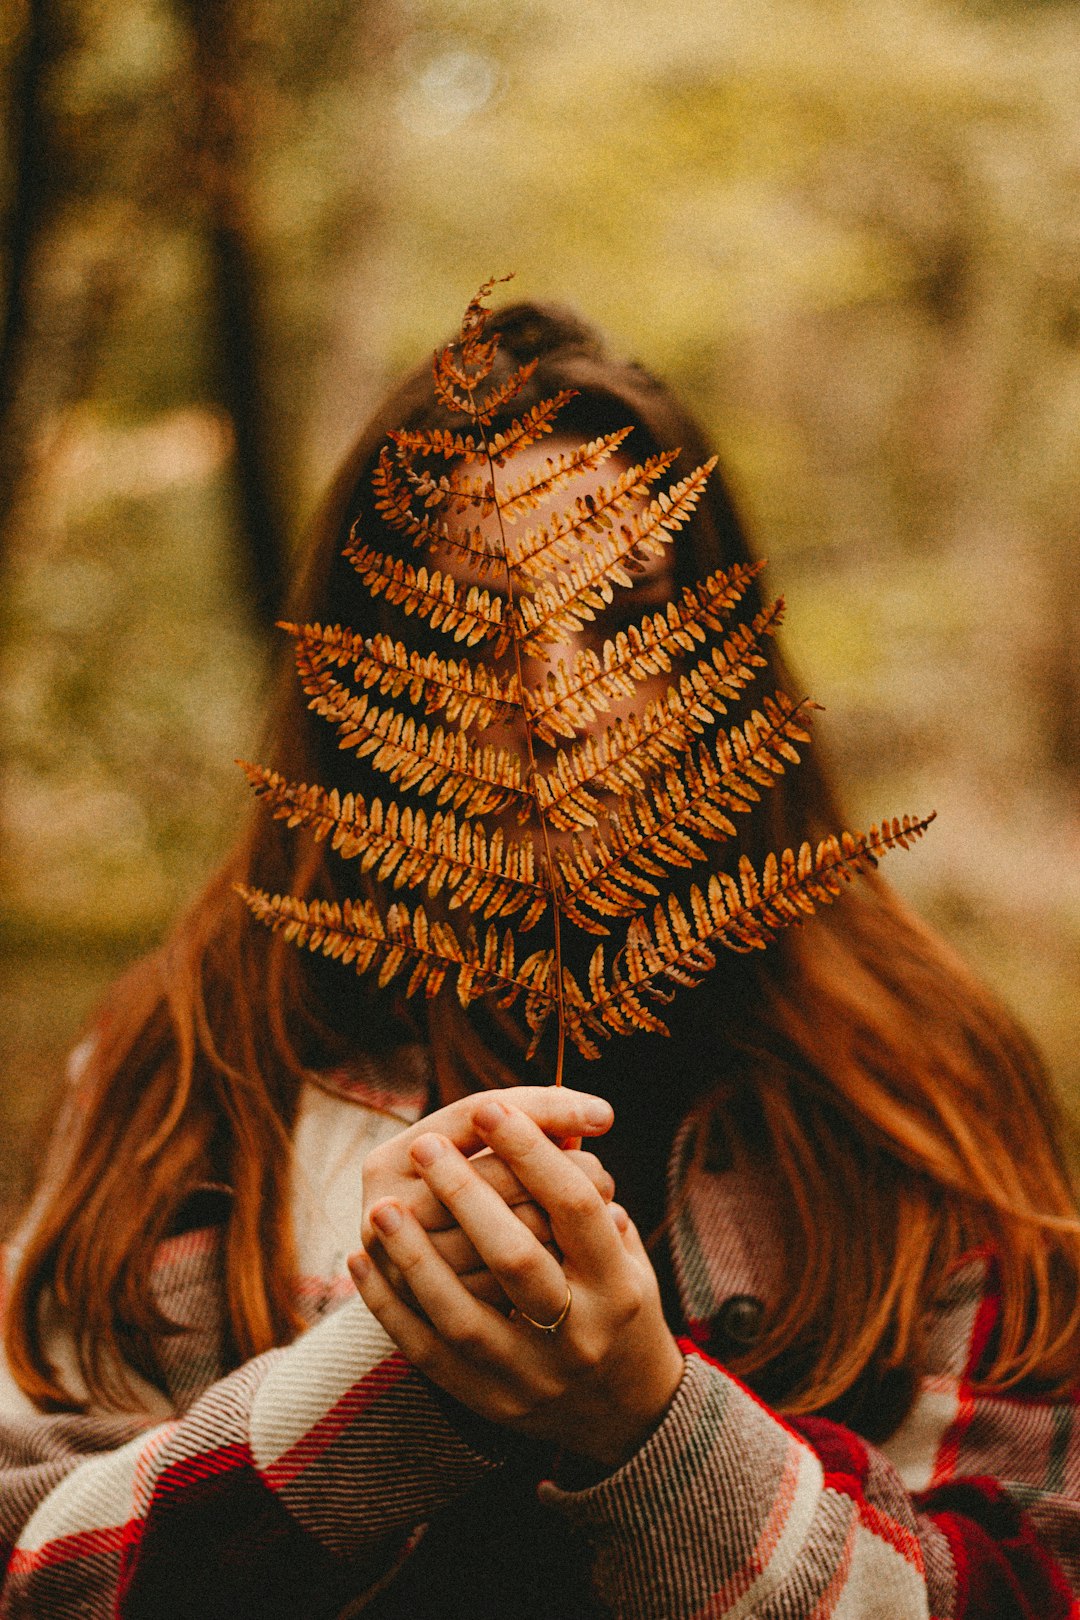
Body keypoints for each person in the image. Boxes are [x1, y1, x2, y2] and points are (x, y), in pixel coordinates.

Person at [2, 299, 1079, 1620]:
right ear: (366, 679)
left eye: (623, 607)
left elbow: (1033, 1580)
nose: (544, 693)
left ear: (725, 651)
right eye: (465, 623)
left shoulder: (917, 1073)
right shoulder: (199, 1054)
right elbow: (29, 1557)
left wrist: (659, 1437)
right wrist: (377, 1385)